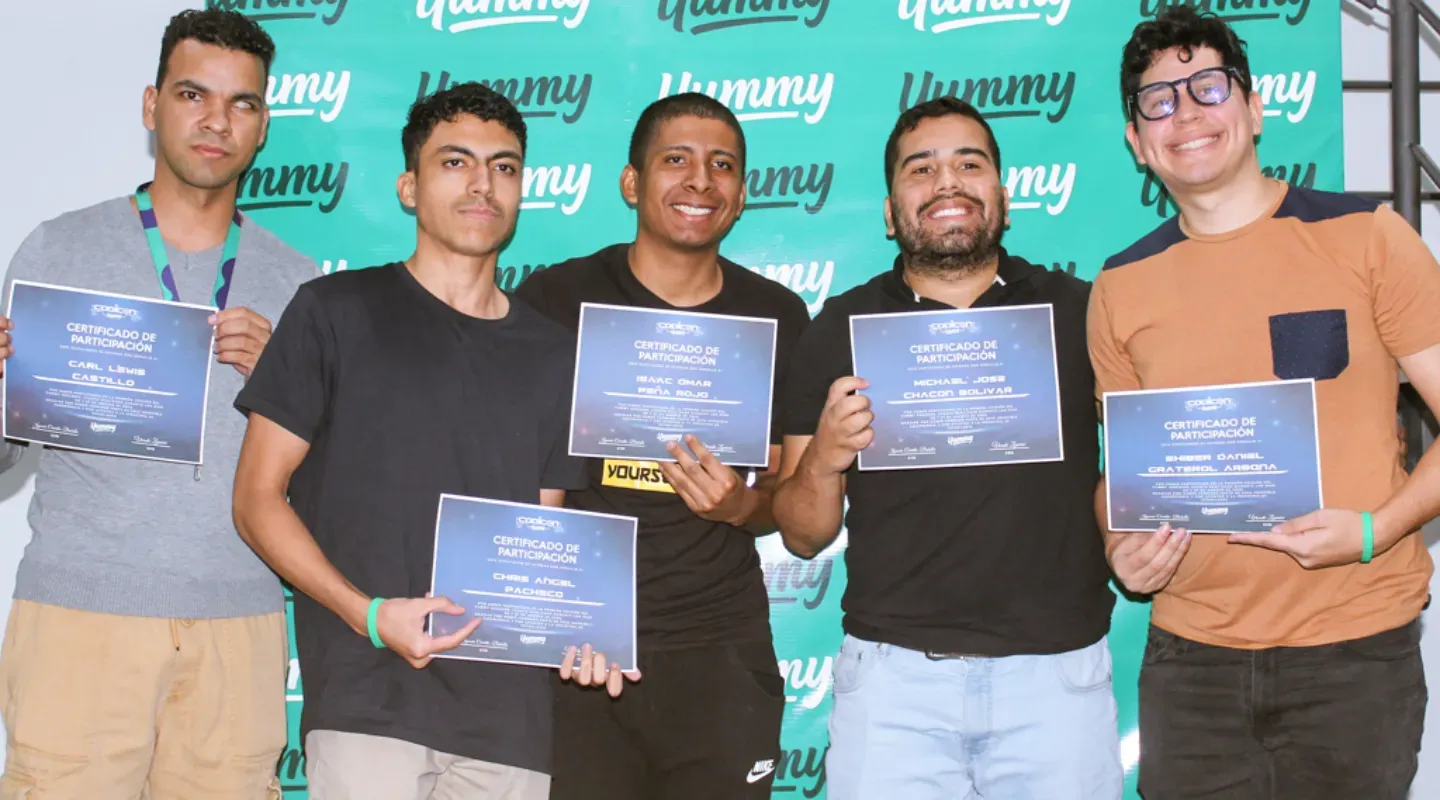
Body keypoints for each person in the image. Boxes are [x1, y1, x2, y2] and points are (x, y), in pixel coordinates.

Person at [1090, 7, 1440, 798]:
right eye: (1159, 100)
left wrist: (1374, 530)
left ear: (1252, 108)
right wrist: (1122, 551)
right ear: (1138, 142)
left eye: (1207, 86)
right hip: (1190, 662)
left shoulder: (1368, 237)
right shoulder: (1118, 288)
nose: (1186, 113)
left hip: (1355, 652)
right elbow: (1127, 474)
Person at [230, 81, 610, 800]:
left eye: (503, 166)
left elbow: (543, 536)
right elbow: (255, 499)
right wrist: (368, 615)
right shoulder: (333, 312)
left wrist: (577, 631)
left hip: (509, 724)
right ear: (409, 186)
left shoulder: (559, 355)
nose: (482, 184)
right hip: (369, 701)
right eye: (455, 162)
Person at [0, 9, 314, 798]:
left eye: (242, 103)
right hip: (80, 614)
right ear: (151, 107)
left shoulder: (303, 285)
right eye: (192, 94)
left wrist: (291, 381)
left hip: (239, 625)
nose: (217, 121)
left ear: (263, 125)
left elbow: (328, 481)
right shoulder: (57, 247)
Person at [769, 96, 1121, 799]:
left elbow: (1147, 463)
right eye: (920, 168)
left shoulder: (1082, 313)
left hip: (1057, 680)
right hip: (895, 687)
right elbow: (804, 536)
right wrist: (826, 455)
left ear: (1004, 197)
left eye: (970, 163)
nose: (947, 182)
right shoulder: (840, 326)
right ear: (891, 211)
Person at [513, 92, 811, 798]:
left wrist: (742, 505)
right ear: (632, 183)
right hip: (581, 655)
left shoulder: (778, 316)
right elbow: (510, 477)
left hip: (719, 648)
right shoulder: (556, 300)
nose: (700, 181)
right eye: (676, 160)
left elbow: (787, 503)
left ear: (740, 194)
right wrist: (552, 617)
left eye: (722, 165)